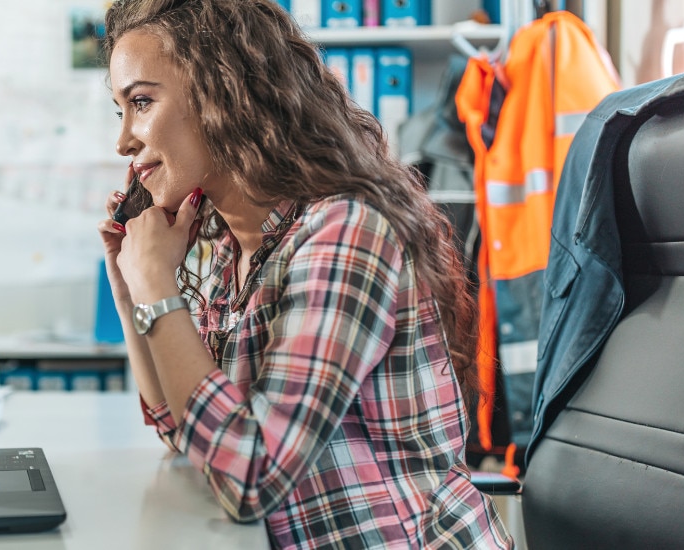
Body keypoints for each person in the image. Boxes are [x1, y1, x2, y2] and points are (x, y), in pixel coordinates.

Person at [96, 0, 512, 548]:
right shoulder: (235, 246)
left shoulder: (345, 231)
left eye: (142, 103)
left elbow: (250, 476)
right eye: (120, 111)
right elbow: (188, 433)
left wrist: (158, 285)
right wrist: (132, 293)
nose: (124, 140)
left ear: (223, 93)